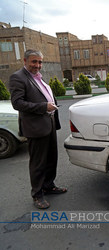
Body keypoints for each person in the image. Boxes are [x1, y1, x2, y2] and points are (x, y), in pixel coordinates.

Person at [9, 49, 67, 209]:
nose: (37, 65)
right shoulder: (18, 77)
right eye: (34, 61)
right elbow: (17, 103)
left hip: (48, 124)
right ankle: (37, 194)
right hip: (35, 127)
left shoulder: (38, 77)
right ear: (25, 61)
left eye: (40, 62)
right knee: (38, 163)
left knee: (51, 158)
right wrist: (43, 106)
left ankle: (49, 185)